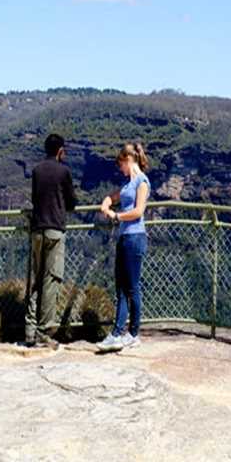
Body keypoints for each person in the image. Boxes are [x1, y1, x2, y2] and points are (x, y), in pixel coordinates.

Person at [24, 133, 78, 348]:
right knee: (51, 279)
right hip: (55, 230)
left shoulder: (37, 170)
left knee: (35, 279)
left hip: (37, 229)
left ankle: (29, 329)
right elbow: (72, 202)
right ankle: (44, 331)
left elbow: (35, 198)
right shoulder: (64, 171)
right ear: (60, 150)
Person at [97, 142, 151, 352]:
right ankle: (120, 333)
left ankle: (130, 333)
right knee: (121, 288)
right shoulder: (129, 185)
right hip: (125, 237)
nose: (120, 169)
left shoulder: (142, 182)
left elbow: (138, 211)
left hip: (135, 237)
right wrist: (106, 202)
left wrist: (117, 215)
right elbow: (113, 196)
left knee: (132, 287)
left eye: (121, 164)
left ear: (129, 160)